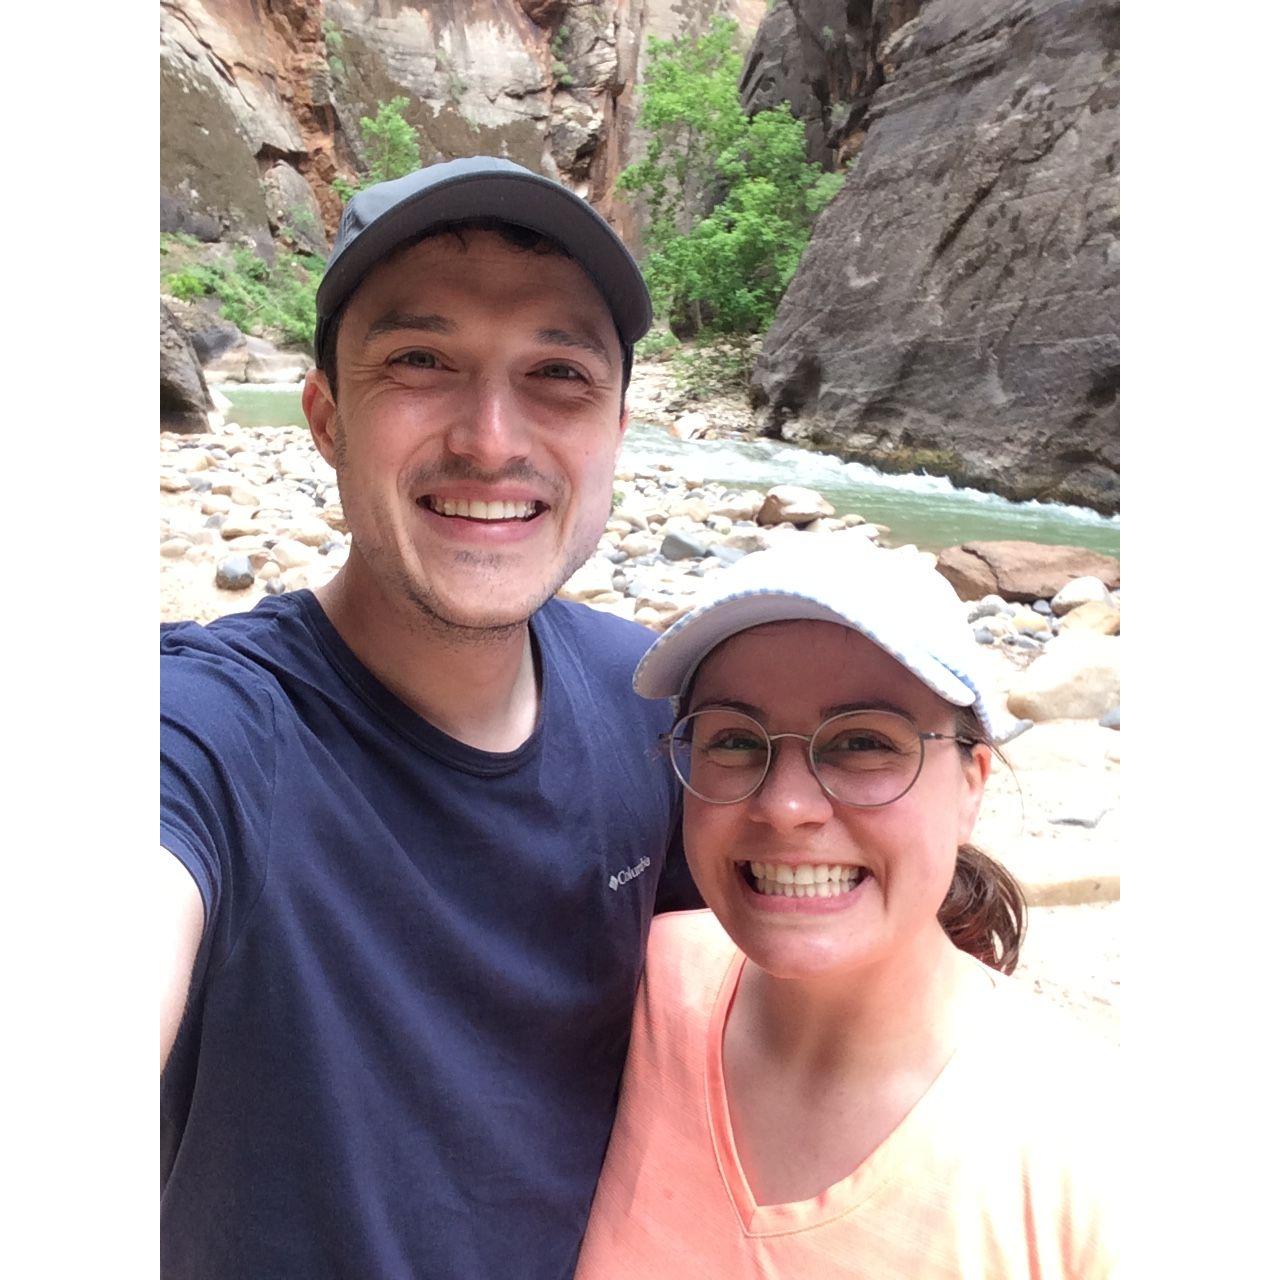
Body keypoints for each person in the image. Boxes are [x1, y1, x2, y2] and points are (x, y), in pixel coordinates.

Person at [160, 156, 700, 1279]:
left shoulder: (653, 699)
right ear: (325, 417)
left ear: (613, 428)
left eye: (556, 372)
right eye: (420, 360)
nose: (491, 438)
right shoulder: (210, 729)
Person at [575, 541, 1118, 1279]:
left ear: (971, 785)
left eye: (863, 743)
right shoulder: (643, 987)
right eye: (735, 740)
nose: (786, 806)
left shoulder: (1093, 1157)